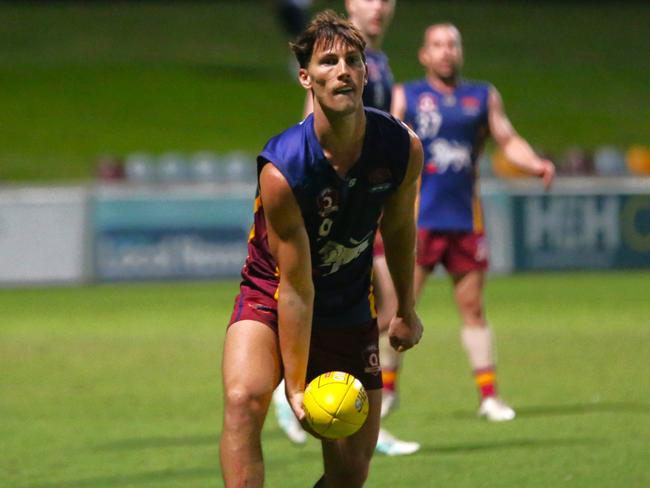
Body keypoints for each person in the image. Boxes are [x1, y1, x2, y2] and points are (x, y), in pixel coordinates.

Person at [219, 11, 423, 487]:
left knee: (351, 471)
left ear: (366, 72)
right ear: (306, 77)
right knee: (243, 398)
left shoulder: (401, 147)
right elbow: (295, 288)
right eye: (328, 61)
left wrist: (406, 310)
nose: (343, 69)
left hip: (349, 302)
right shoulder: (284, 168)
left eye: (353, 59)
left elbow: (398, 227)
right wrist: (294, 388)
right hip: (270, 294)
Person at [273, 0, 420, 456]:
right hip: (334, 207)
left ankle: (352, 408)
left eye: (385, 0)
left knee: (374, 308)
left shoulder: (376, 62)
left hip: (366, 202)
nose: (378, 7)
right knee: (364, 304)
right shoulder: (336, 54)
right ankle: (298, 394)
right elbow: (310, 125)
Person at [391, 23, 555, 421]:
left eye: (452, 45)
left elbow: (507, 138)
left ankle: (489, 398)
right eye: (438, 45)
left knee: (474, 310)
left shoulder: (482, 96)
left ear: (460, 52)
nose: (446, 52)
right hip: (417, 223)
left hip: (466, 220)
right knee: (396, 311)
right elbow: (386, 142)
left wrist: (534, 164)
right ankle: (387, 393)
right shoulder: (407, 96)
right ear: (424, 55)